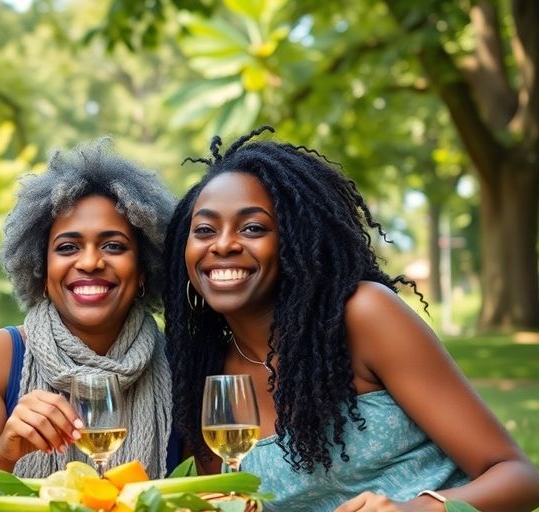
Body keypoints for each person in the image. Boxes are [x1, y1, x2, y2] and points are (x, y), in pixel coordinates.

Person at [162, 126, 539, 511]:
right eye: (205, 230)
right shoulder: (201, 378)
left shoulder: (362, 315)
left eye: (253, 227)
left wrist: (411, 510)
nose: (223, 244)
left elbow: (518, 477)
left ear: (296, 241)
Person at [0, 139, 177, 488]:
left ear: (144, 268)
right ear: (41, 267)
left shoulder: (178, 363)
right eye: (67, 247)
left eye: (113, 246)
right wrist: (3, 453)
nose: (89, 262)